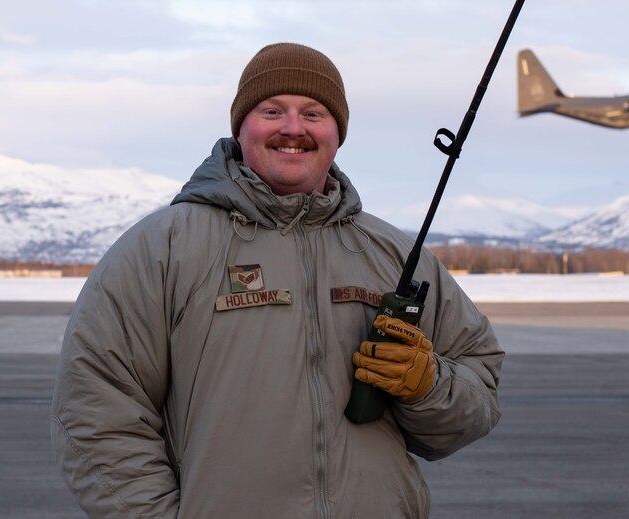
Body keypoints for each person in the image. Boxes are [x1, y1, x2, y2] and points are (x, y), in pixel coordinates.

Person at [51, 42, 504, 518]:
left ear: (337, 133)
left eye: (313, 112)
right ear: (241, 127)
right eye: (272, 111)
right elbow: (95, 412)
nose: (293, 128)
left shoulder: (393, 255)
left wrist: (427, 386)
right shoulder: (162, 248)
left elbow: (477, 392)